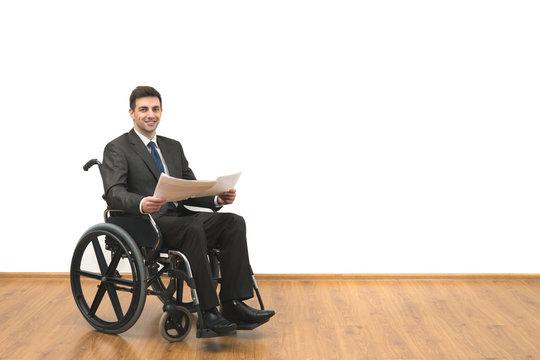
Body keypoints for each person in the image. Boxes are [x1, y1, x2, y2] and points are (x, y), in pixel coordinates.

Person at [101, 85, 274, 334]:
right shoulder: (117, 148)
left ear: (161, 111)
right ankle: (208, 313)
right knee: (192, 227)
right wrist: (142, 203)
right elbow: (114, 193)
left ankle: (233, 303)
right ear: (131, 113)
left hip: (180, 218)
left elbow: (190, 187)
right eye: (144, 109)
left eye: (155, 109)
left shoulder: (172, 146)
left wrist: (216, 198)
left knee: (234, 222)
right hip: (147, 222)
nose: (151, 114)